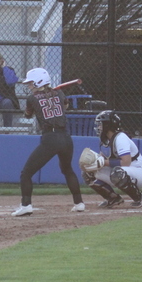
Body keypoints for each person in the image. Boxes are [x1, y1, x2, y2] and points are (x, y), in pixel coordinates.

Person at [12, 67, 85, 216]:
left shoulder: (32, 99)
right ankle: (79, 203)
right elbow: (65, 106)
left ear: (39, 82)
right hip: (66, 138)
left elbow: (27, 115)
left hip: (50, 139)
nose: (29, 86)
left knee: (26, 173)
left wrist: (42, 100)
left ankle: (26, 205)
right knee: (67, 169)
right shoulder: (59, 92)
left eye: (31, 83)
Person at [80, 110, 142, 209]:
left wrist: (103, 163)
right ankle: (113, 198)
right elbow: (102, 158)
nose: (98, 127)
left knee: (117, 173)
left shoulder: (120, 138)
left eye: (101, 124)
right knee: (87, 172)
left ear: (108, 125)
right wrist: (94, 163)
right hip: (122, 171)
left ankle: (139, 197)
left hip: (138, 171)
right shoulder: (105, 139)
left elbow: (126, 162)